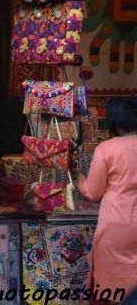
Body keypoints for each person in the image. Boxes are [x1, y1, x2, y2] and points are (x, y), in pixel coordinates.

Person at [79, 97, 137, 303]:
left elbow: (92, 192)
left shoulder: (107, 148)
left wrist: (80, 179)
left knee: (114, 288)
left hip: (115, 226)